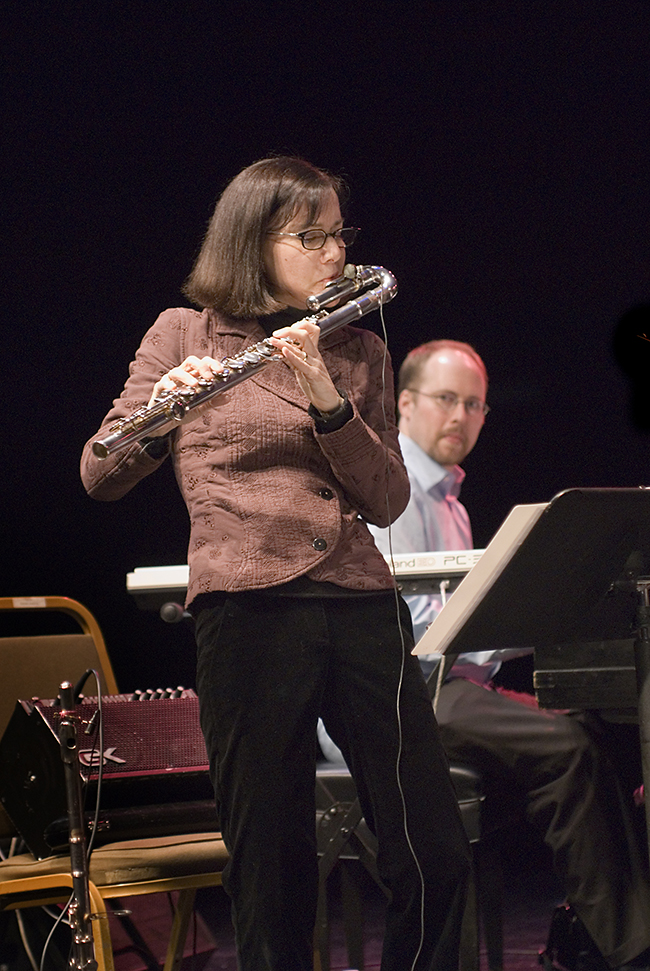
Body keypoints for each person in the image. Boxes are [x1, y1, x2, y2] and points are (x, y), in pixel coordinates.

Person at [80, 157, 471, 971]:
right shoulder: (181, 334)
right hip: (249, 611)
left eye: (339, 234)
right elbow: (99, 472)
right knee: (272, 866)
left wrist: (327, 396)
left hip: (359, 606)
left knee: (433, 848)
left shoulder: (358, 347)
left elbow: (389, 497)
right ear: (254, 243)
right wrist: (163, 414)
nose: (335, 253)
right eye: (311, 237)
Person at [365, 339, 650, 971]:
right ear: (404, 403)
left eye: (475, 405)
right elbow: (413, 633)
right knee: (566, 748)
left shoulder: (449, 500)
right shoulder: (392, 489)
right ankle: (630, 950)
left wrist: (543, 614)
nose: (461, 416)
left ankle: (597, 931)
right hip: (405, 695)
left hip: (456, 688)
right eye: (447, 399)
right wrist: (535, 615)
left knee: (594, 731)